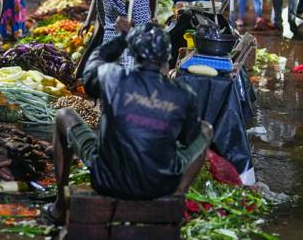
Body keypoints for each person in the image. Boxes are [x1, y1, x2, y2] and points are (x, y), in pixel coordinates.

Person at [45, 18, 212, 223]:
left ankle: (59, 206)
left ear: (133, 55)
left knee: (64, 115)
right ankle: (177, 199)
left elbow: (93, 66)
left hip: (106, 179)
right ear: (167, 59)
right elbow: (188, 141)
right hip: (161, 183)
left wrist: (122, 38)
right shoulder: (183, 95)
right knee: (206, 129)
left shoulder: (112, 76)